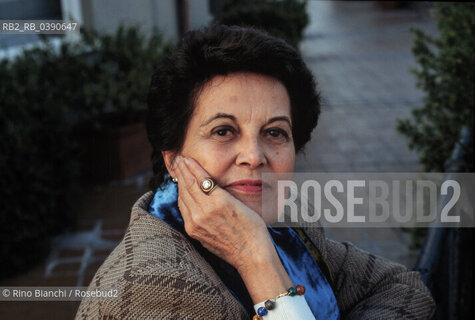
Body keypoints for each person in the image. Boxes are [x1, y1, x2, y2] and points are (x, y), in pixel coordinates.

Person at [75, 25, 435, 319]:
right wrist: (254, 258)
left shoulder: (287, 232)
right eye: (223, 131)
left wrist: (257, 251)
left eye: (275, 132)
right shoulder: (149, 287)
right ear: (172, 158)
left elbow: (406, 290)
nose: (254, 156)